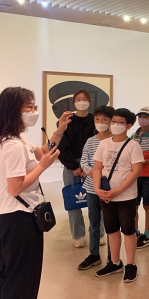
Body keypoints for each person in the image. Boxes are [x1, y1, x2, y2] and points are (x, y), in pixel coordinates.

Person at [0, 87, 71, 299]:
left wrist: (60, 130)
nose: (34, 111)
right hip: (19, 220)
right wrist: (42, 167)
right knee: (21, 283)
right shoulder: (13, 145)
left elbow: (44, 151)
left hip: (3, 219)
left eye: (34, 106)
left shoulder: (12, 139)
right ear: (14, 109)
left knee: (6, 277)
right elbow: (16, 187)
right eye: (29, 106)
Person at [93, 109, 144, 283]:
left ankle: (131, 264)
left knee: (128, 230)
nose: (115, 125)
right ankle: (115, 262)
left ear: (128, 126)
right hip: (106, 195)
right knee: (111, 229)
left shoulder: (133, 146)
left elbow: (136, 171)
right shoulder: (103, 144)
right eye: (113, 121)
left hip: (126, 196)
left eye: (120, 122)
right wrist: (97, 188)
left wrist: (119, 190)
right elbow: (97, 168)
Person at [57, 89, 96, 248]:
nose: (81, 101)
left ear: (89, 102)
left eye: (84, 99)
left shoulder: (95, 121)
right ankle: (79, 236)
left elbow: (98, 144)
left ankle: (99, 233)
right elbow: (61, 146)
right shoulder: (67, 121)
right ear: (74, 102)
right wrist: (73, 166)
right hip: (70, 164)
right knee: (73, 200)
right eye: (78, 99)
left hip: (92, 165)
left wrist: (88, 165)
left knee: (96, 199)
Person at [77, 105, 114, 271]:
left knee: (111, 223)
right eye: (97, 119)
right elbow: (84, 161)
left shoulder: (116, 141)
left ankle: (113, 256)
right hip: (92, 188)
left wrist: (104, 175)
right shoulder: (91, 141)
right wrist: (94, 173)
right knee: (93, 222)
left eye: (104, 119)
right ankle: (94, 254)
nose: (100, 122)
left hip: (110, 189)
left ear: (111, 122)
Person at [132, 106, 149, 249]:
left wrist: (142, 161)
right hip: (134, 176)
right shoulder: (133, 136)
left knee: (148, 205)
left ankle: (147, 235)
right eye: (140, 116)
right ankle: (136, 233)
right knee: (133, 205)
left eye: (146, 117)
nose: (142, 119)